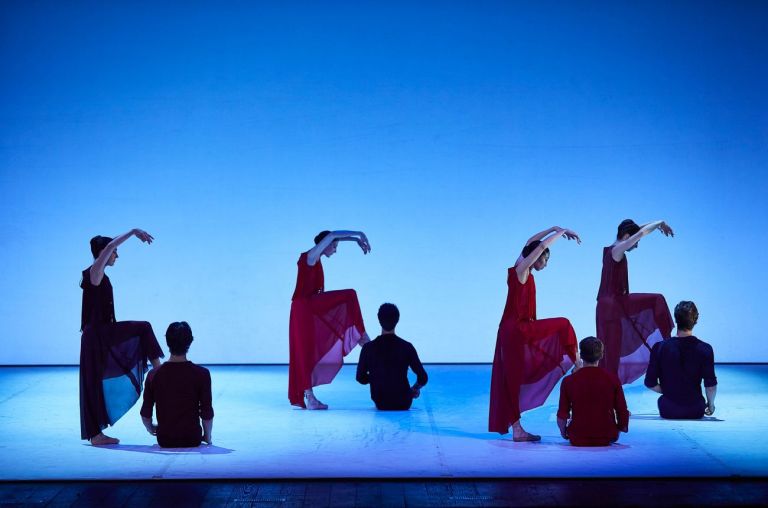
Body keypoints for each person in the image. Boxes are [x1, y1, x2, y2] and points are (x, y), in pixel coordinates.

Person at [489, 226, 581, 441]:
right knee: (563, 324)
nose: (545, 265)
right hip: (517, 330)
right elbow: (539, 245)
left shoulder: (518, 268)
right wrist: (562, 233)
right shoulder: (521, 272)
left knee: (513, 378)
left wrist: (554, 228)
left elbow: (531, 240)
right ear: (537, 257)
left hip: (514, 330)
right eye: (545, 260)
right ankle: (577, 364)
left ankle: (518, 429)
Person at [79, 229, 164, 445]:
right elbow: (107, 249)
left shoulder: (100, 275)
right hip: (97, 335)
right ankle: (159, 370)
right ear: (104, 254)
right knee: (143, 327)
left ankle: (96, 434)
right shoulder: (94, 273)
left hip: (103, 333)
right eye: (115, 252)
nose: (117, 255)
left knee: (95, 383)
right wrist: (133, 232)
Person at [289, 230, 372, 409]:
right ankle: (360, 335)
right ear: (324, 244)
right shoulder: (309, 257)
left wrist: (355, 240)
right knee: (349, 295)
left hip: (310, 307)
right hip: (303, 308)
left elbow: (334, 237)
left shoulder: (316, 260)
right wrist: (359, 233)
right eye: (334, 246)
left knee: (308, 350)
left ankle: (360, 334)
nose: (335, 250)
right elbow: (332, 235)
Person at [596, 219, 675, 384]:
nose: (637, 245)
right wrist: (660, 222)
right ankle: (610, 399)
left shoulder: (611, 250)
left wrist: (655, 224)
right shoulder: (616, 251)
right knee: (610, 357)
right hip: (612, 306)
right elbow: (640, 233)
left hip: (613, 305)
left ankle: (667, 340)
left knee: (611, 356)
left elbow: (637, 231)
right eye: (635, 242)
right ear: (626, 236)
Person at [141, 322, 214, 447]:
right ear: (190, 341)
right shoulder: (202, 374)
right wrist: (207, 436)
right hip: (192, 438)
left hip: (165, 439)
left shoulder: (153, 375)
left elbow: (145, 413)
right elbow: (207, 412)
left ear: (167, 342)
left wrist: (151, 428)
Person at [644, 301, 717, 419]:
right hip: (696, 409)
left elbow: (649, 382)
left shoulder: (660, 347)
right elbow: (711, 386)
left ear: (676, 319)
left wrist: (671, 392)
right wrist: (711, 405)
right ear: (695, 320)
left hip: (668, 409)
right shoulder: (705, 349)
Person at [557, 337, 629, 446]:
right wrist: (617, 431)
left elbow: (562, 415)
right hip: (607, 435)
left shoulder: (568, 381)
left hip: (577, 437)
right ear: (601, 355)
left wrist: (564, 433)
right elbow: (622, 410)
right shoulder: (612, 379)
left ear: (581, 356)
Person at [356, 303, 428, 410]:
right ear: (397, 320)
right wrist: (414, 389)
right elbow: (423, 377)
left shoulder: (368, 348)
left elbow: (360, 378)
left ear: (379, 320)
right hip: (404, 401)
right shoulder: (406, 347)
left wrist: (376, 377)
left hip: (381, 402)